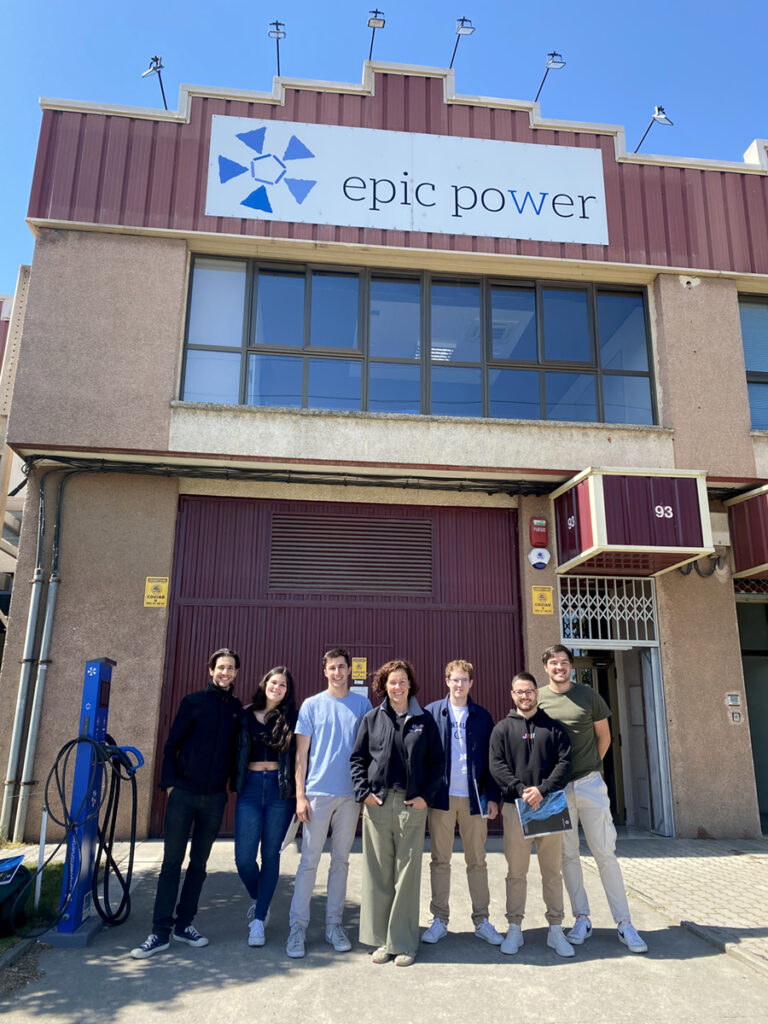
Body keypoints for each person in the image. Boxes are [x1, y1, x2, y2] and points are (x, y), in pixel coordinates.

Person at [130, 648, 242, 959]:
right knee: (171, 863)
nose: (225, 672)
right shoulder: (193, 702)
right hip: (184, 794)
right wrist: (169, 785)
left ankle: (184, 925)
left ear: (236, 673)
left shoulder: (235, 709)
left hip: (214, 798)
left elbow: (237, 750)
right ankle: (160, 931)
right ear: (211, 670)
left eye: (231, 668)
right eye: (221, 667)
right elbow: (172, 745)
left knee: (199, 865)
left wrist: (233, 784)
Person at [537, 644, 648, 954]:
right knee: (568, 856)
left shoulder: (589, 696)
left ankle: (624, 923)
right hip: (557, 791)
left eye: (563, 662)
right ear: (546, 668)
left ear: (571, 666)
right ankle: (581, 918)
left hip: (589, 785)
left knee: (604, 853)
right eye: (553, 663)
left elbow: (605, 736)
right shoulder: (540, 699)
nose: (559, 667)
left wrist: (590, 771)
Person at [350, 659, 443, 967]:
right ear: (384, 686)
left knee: (406, 874)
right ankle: (380, 941)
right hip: (378, 804)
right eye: (392, 682)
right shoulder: (372, 718)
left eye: (403, 681)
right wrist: (364, 793)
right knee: (378, 873)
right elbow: (358, 758)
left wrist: (424, 798)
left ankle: (402, 942)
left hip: (410, 805)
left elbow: (437, 764)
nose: (398, 687)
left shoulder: (423, 720)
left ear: (410, 685)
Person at [286, 647, 372, 959]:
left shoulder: (362, 705)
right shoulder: (311, 706)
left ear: (350, 670)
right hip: (317, 796)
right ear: (325, 672)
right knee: (309, 861)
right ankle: (297, 926)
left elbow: (367, 752)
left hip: (349, 797)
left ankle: (334, 925)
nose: (337, 672)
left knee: (341, 862)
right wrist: (300, 796)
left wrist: (364, 793)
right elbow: (301, 756)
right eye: (332, 668)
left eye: (341, 667)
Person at [489, 672, 573, 957]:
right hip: (516, 807)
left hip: (549, 804)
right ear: (512, 695)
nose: (525, 696)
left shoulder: (555, 728)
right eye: (519, 692)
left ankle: (556, 930)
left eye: (529, 691)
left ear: (537, 693)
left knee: (552, 872)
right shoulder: (502, 729)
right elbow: (497, 766)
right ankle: (514, 928)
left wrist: (543, 790)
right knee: (516, 873)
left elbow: (564, 764)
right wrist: (522, 789)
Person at [422, 659, 503, 946]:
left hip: (475, 799)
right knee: (440, 860)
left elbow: (494, 760)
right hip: (441, 799)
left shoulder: (482, 716)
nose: (459, 685)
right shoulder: (432, 712)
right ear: (447, 681)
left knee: (477, 861)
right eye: (454, 680)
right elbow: (422, 757)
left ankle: (482, 920)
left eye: (464, 680)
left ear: (471, 683)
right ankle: (439, 919)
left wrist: (493, 797)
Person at [234, 666, 297, 947]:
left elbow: (300, 758)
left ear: (287, 691)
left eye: (283, 685)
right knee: (244, 859)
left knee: (271, 855)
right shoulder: (245, 715)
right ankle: (261, 899)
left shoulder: (291, 718)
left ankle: (258, 920)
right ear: (264, 684)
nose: (277, 688)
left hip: (278, 789)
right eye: (274, 683)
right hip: (249, 787)